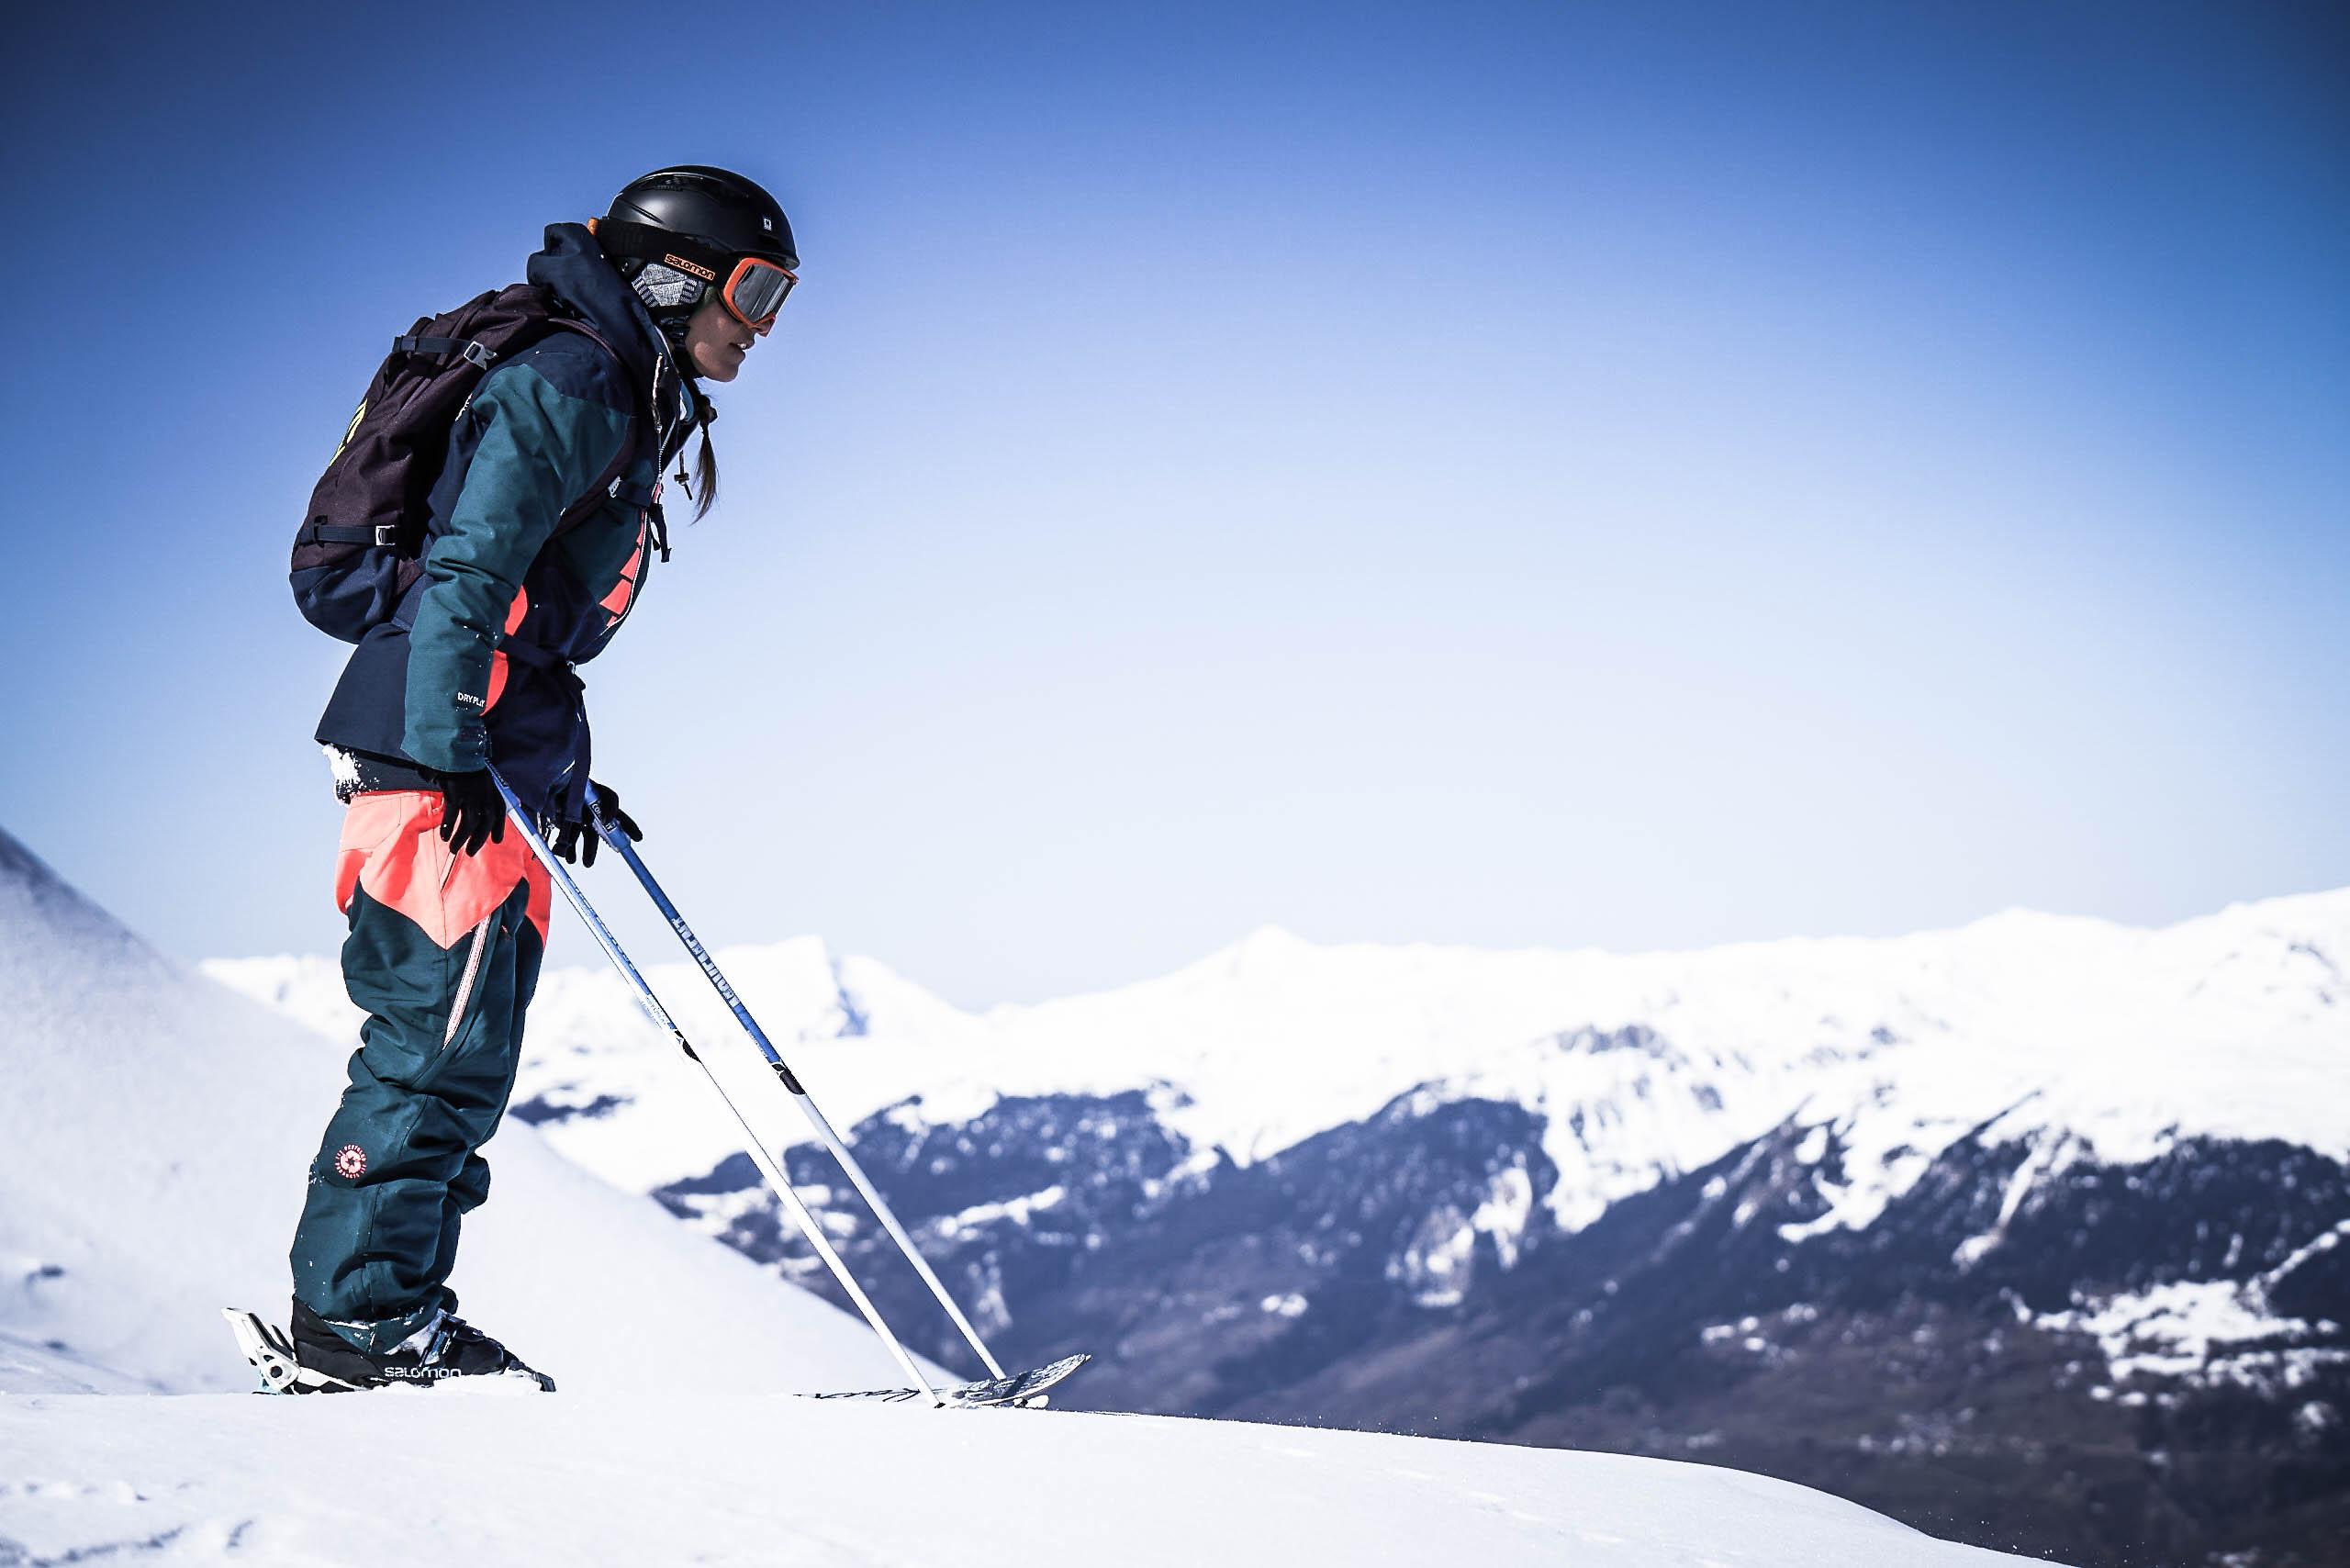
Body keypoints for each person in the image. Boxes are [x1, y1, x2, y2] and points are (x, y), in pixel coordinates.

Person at [286, 167, 799, 1390]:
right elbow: (470, 573)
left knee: (469, 1058)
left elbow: (531, 625)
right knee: (429, 1042)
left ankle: (393, 1315)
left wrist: (560, 770)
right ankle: (355, 1329)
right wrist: (458, 741)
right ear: (678, 278)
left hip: (484, 756)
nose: (765, 323)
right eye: (756, 287)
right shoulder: (572, 379)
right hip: (435, 759)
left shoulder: (625, 389)